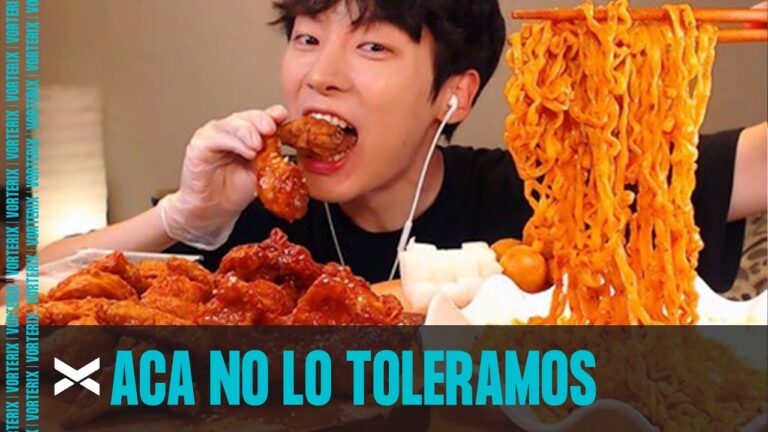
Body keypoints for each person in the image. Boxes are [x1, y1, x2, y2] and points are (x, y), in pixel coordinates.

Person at [41, 0, 767, 292]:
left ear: (454, 94)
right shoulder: (250, 214)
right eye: (307, 38)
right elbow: (23, 290)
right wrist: (182, 218)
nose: (321, 75)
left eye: (373, 47)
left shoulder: (540, 200)